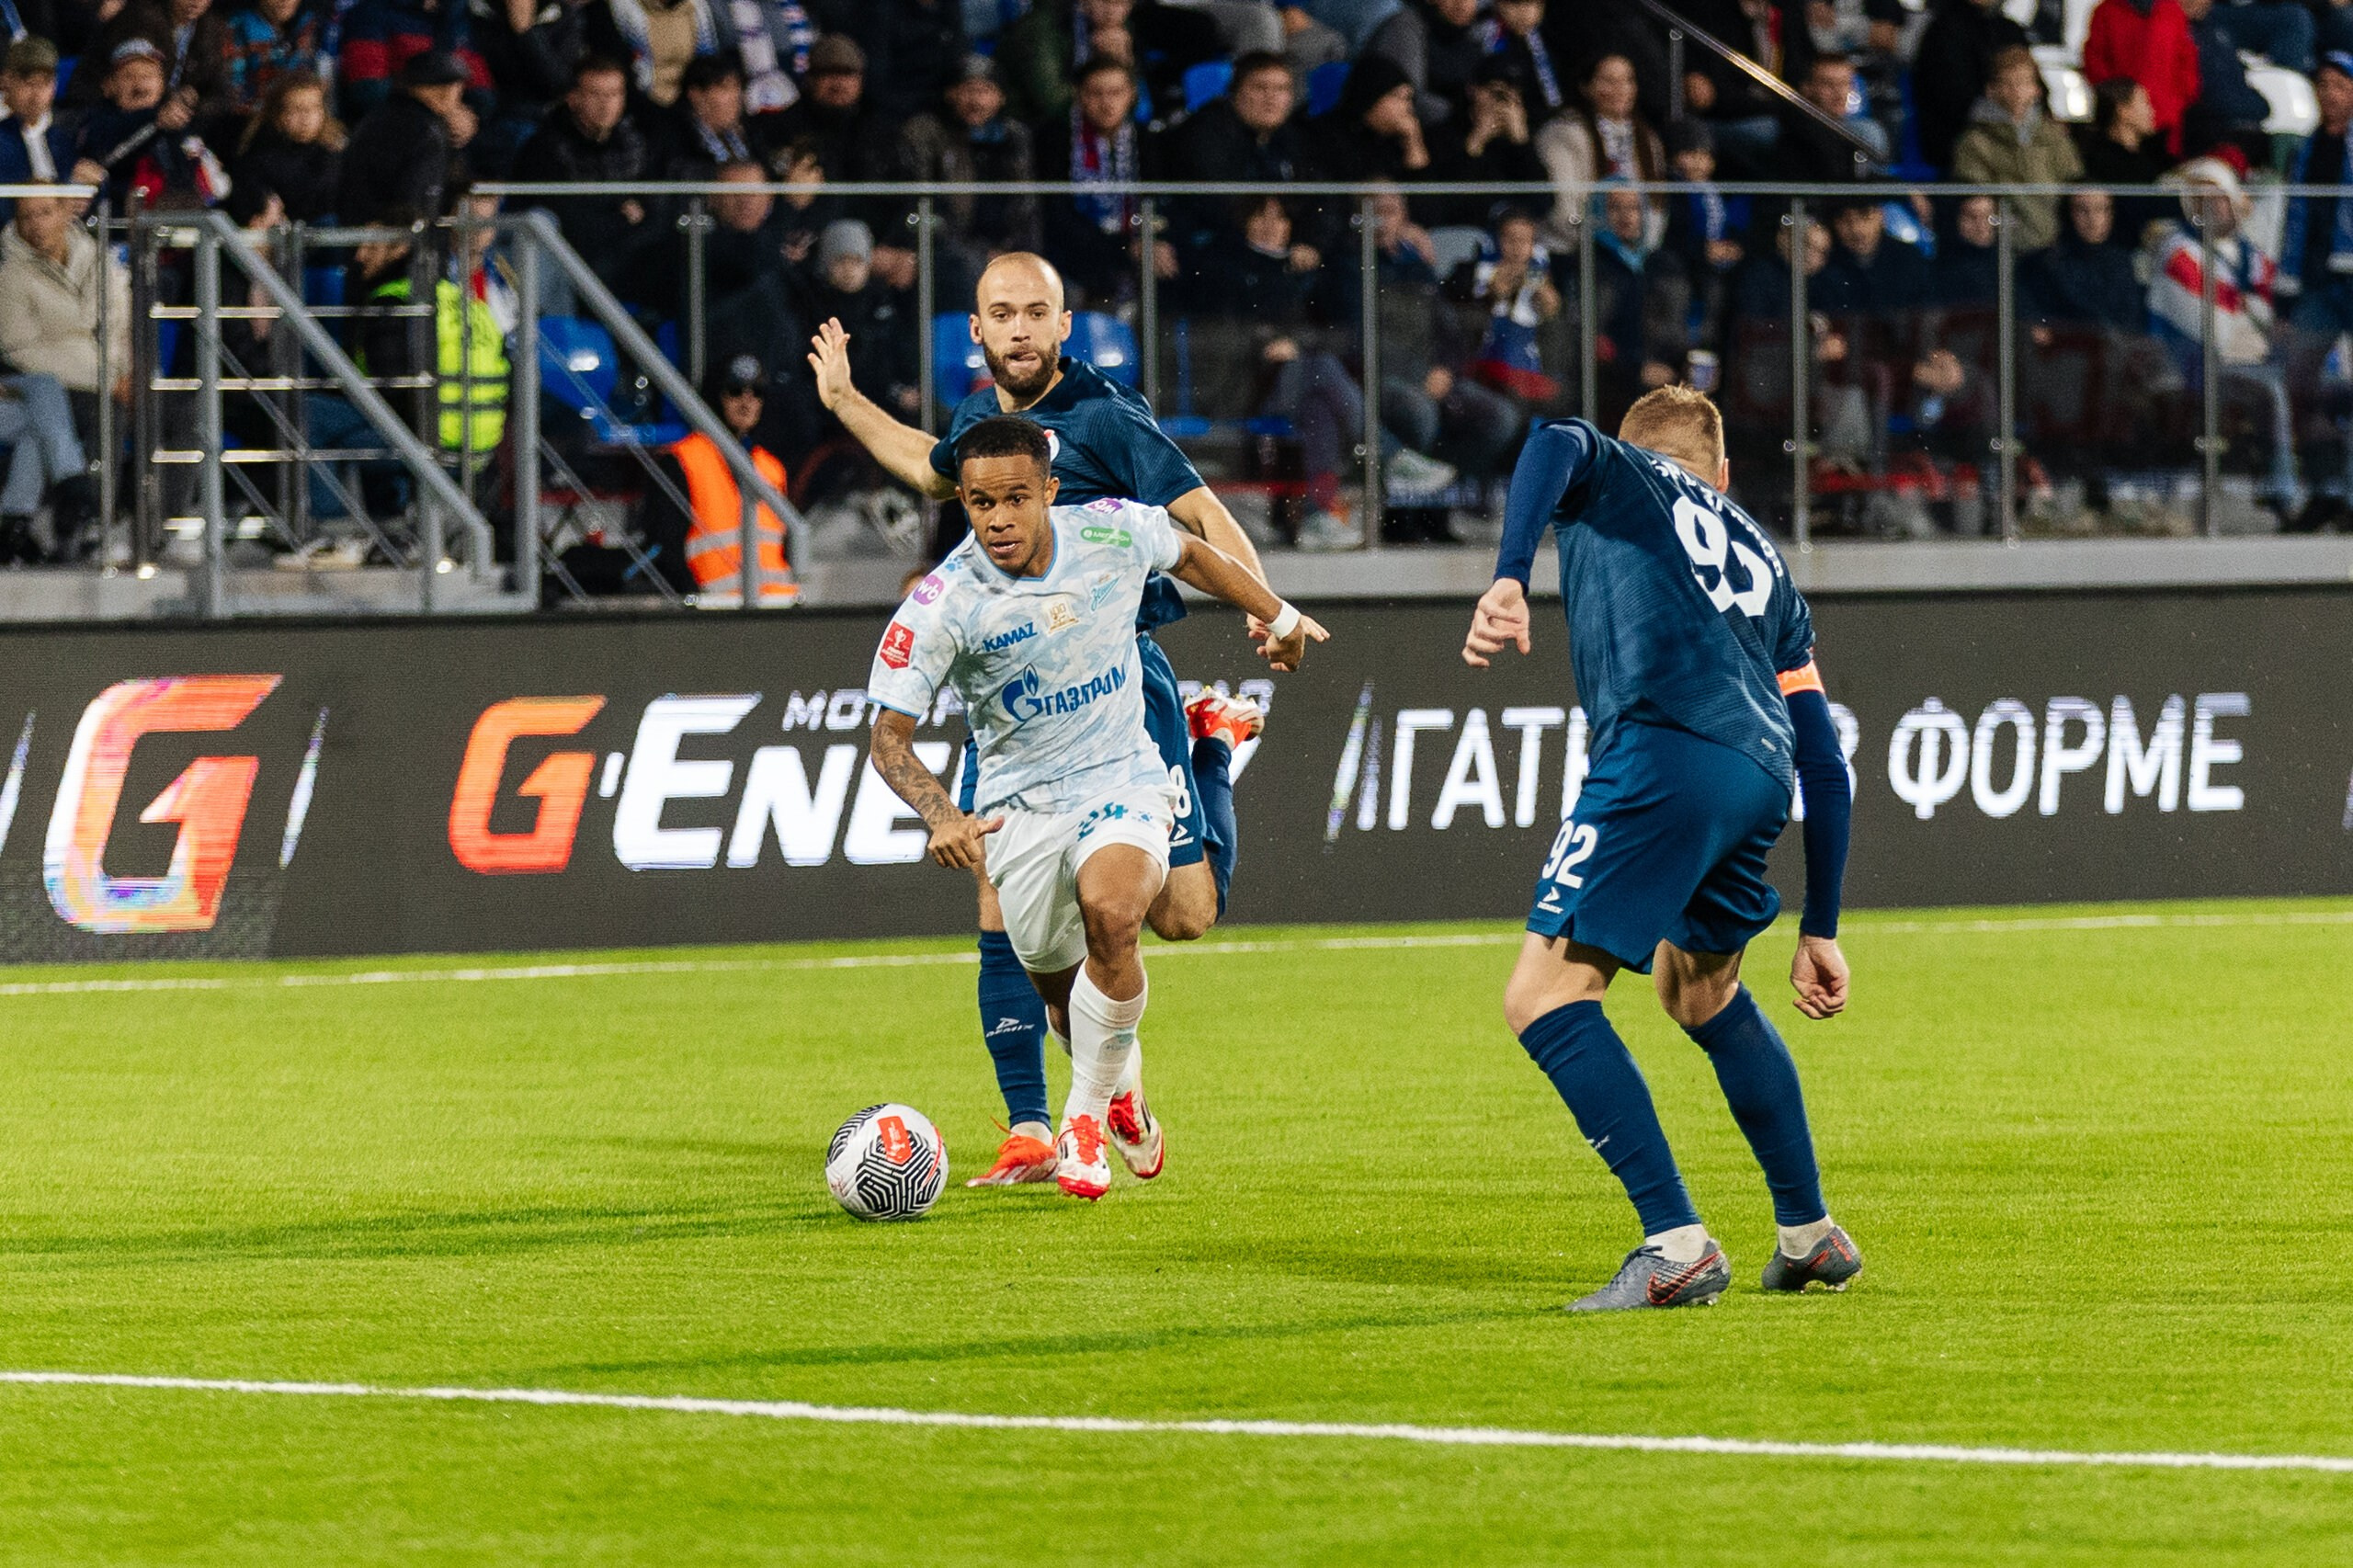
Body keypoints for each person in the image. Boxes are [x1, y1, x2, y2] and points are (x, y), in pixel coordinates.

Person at [808, 251, 1285, 1187]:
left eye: (1036, 312)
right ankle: (1041, 1124)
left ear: (1064, 327)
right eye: (1000, 313)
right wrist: (844, 401)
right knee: (1015, 920)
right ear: (976, 331)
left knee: (1179, 917)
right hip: (1014, 700)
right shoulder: (982, 430)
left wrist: (1273, 610)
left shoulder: (1107, 418)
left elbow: (1199, 518)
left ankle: (1212, 746)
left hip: (1119, 686)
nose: (1019, 328)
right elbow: (933, 471)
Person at [1460, 384, 1859, 1311]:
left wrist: (1511, 571)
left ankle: (1674, 1241)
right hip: (1756, 777)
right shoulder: (1765, 558)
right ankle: (1807, 1233)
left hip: (1663, 747)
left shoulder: (1622, 475)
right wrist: (1822, 923)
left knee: (1542, 996)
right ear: (1722, 475)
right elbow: (1824, 760)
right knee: (1700, 987)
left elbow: (1556, 435)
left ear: (1640, 451)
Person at [864, 415, 1320, 1199]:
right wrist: (942, 812)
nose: (998, 519)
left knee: (1117, 913)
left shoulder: (1110, 531)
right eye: (979, 504)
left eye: (1014, 498)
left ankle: (1080, 1122)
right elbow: (889, 736)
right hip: (1020, 807)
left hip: (1121, 775)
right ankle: (1123, 1093)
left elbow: (1194, 553)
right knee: (1065, 991)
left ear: (1050, 489)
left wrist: (1277, 616)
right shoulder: (944, 602)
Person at [638, 354, 798, 602]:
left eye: (757, 393)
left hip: (779, 607)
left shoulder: (772, 468)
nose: (747, 402)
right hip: (715, 612)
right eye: (735, 391)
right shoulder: (681, 461)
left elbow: (783, 549)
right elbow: (666, 548)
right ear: (716, 396)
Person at [0, 188, 131, 465]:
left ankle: (158, 506)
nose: (37, 224)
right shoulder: (11, 275)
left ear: (64, 214)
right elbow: (19, 351)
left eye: (45, 213)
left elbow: (119, 321)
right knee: (106, 415)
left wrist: (127, 373)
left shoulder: (96, 258)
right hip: (60, 385)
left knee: (182, 410)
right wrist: (106, 381)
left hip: (112, 376)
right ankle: (95, 507)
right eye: (27, 217)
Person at [1949, 46, 2082, 254]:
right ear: (1991, 89)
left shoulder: (2054, 136)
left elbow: (2073, 183)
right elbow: (1980, 203)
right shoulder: (1975, 142)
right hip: (2001, 248)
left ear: (2036, 89)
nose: (2017, 90)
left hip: (2058, 248)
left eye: (2024, 81)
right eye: (2009, 82)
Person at [337, 49, 472, 222]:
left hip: (358, 232)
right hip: (393, 240)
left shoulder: (377, 116)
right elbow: (417, 202)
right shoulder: (427, 131)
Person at [1913, 0, 2029, 172]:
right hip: (1959, 146)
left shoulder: (2011, 31)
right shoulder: (1943, 31)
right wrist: (2005, 119)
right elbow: (1953, 101)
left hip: (2019, 139)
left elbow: (2038, 90)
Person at [2082, 0, 2200, 159]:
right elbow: (2095, 62)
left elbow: (2186, 61)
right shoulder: (2107, 11)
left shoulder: (2171, 11)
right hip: (2121, 121)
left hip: (2167, 123)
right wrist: (2117, 100)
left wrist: (2176, 103)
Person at [233, 71, 343, 222]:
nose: (307, 118)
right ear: (280, 115)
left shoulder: (335, 155)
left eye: (314, 108)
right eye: (298, 109)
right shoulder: (259, 160)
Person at [0, 38, 76, 222]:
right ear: (6, 81)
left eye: (44, 84)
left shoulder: (64, 135)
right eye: (29, 84)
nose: (36, 96)